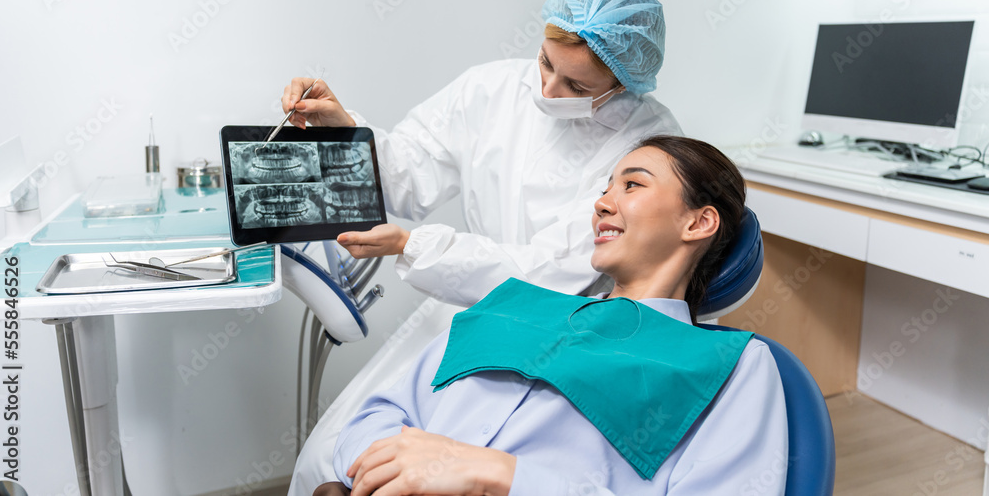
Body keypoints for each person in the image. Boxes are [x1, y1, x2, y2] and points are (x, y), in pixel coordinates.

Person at [284, 0, 684, 491]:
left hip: (572, 328)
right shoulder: (489, 88)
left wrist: (414, 245)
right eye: (545, 63)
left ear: (626, 80)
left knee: (468, 470)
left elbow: (552, 273)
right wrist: (344, 134)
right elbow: (409, 172)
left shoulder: (648, 146)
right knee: (328, 460)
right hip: (467, 305)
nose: (548, 90)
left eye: (577, 87)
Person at [321, 136, 787, 495]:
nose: (603, 203)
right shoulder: (512, 308)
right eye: (605, 188)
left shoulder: (731, 363)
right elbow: (381, 412)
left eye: (633, 185)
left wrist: (498, 475)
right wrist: (393, 469)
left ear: (698, 222)